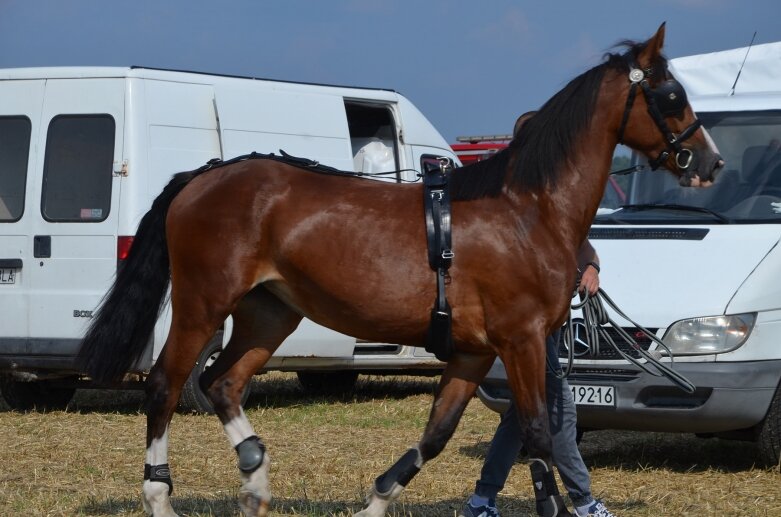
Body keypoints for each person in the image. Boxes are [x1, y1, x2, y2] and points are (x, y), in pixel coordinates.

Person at [461, 112, 616, 517]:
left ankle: (482, 500)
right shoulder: (507, 198)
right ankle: (582, 502)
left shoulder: (552, 194)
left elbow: (580, 242)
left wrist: (590, 267)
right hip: (526, 323)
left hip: (550, 318)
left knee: (520, 416)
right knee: (559, 408)